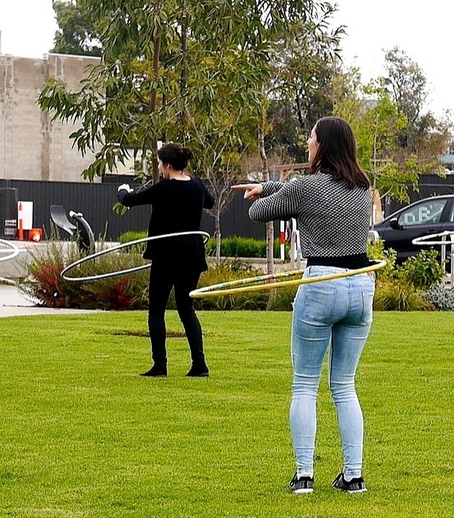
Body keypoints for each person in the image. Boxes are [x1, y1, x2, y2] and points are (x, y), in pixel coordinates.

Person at [234, 117, 375, 495]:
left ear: (322, 145)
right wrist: (271, 186)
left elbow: (258, 213)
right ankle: (353, 475)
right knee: (345, 385)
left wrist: (261, 196)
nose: (307, 143)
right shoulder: (363, 188)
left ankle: (304, 475)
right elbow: (304, 193)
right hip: (361, 285)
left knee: (305, 385)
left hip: (321, 285)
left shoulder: (307, 188)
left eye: (310, 138)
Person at [116, 142, 216, 377]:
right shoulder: (197, 186)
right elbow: (209, 202)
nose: (159, 168)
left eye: (160, 164)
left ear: (168, 165)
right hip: (191, 256)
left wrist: (122, 190)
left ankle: (160, 365)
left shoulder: (164, 188)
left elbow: (129, 200)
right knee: (186, 309)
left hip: (166, 257)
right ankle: (199, 364)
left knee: (157, 310)